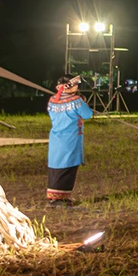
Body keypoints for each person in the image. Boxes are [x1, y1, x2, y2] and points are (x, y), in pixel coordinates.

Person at [46, 76, 94, 205]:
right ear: (70, 86)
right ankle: (58, 199)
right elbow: (88, 114)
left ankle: (56, 196)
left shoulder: (52, 100)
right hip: (70, 138)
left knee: (56, 167)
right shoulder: (76, 101)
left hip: (56, 138)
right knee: (68, 168)